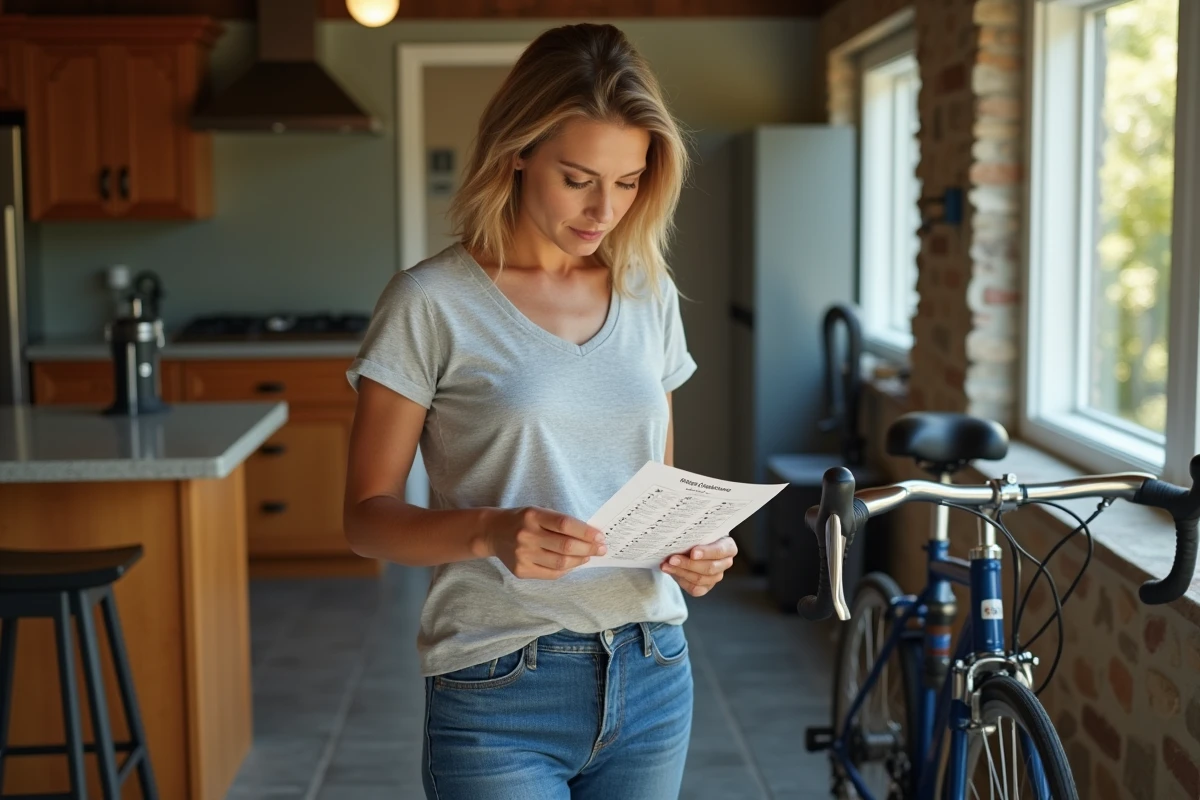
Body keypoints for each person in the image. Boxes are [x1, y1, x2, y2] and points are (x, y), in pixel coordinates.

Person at [343, 22, 739, 800]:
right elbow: (365, 520)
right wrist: (488, 531)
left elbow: (653, 481)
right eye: (578, 177)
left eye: (627, 183)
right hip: (498, 681)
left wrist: (696, 545)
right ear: (517, 153)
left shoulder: (648, 294)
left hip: (652, 667)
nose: (604, 209)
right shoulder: (431, 303)